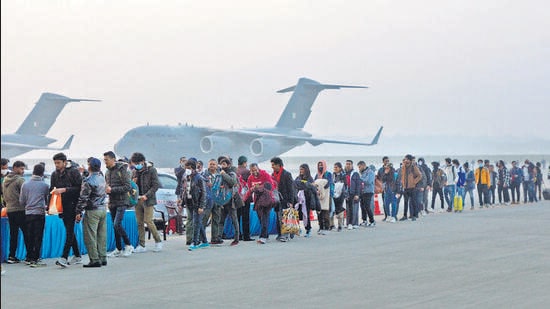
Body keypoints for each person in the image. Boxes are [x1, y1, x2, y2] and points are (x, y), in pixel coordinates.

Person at [51, 153, 83, 268]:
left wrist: (64, 190)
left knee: (69, 231)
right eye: (55, 163)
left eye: (58, 163)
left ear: (65, 162)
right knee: (69, 230)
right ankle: (78, 255)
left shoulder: (73, 172)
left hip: (73, 205)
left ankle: (64, 257)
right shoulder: (54, 174)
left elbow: (80, 188)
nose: (56, 165)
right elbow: (52, 188)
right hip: (61, 206)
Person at [74, 158, 108, 267]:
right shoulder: (102, 177)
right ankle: (103, 257)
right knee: (101, 235)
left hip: (92, 210)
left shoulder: (88, 181)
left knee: (90, 236)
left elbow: (83, 198)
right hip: (103, 209)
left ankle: (94, 259)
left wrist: (78, 211)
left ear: (89, 166)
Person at [130, 152, 163, 253]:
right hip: (137, 199)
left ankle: (158, 241)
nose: (136, 165)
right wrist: (133, 183)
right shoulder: (134, 171)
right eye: (134, 164)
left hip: (148, 199)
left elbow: (156, 185)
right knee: (139, 222)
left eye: (137, 163)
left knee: (148, 221)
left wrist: (146, 195)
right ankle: (142, 245)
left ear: (143, 161)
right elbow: (131, 185)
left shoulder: (151, 170)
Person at [104, 151, 134, 257]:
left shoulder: (122, 169)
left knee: (117, 224)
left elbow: (127, 186)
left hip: (122, 201)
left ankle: (128, 244)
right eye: (104, 160)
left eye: (106, 160)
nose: (105, 162)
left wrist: (112, 190)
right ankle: (118, 248)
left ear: (113, 159)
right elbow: (107, 186)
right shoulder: (107, 172)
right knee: (114, 226)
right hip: (112, 202)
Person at [20, 163, 50, 267]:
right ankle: (36, 257)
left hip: (28, 213)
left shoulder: (25, 184)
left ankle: (28, 256)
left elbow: (22, 201)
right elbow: (47, 201)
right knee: (38, 236)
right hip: (39, 213)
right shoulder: (45, 185)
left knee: (29, 236)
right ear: (42, 173)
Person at [3, 160, 27, 264]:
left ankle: (11, 256)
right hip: (20, 209)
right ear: (15, 168)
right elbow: (25, 195)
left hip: (9, 209)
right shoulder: (20, 180)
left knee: (13, 234)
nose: (23, 171)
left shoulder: (5, 180)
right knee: (27, 233)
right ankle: (30, 255)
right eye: (21, 169)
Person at [182, 159, 209, 251]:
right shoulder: (186, 177)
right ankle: (204, 241)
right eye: (186, 168)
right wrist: (182, 201)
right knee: (198, 222)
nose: (187, 170)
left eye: (189, 168)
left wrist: (201, 206)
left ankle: (195, 242)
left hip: (197, 203)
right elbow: (185, 190)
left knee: (196, 223)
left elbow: (204, 193)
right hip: (189, 202)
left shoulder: (199, 178)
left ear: (193, 168)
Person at [215, 157, 240, 246]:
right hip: (223, 200)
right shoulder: (219, 173)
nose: (222, 166)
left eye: (224, 164)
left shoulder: (232, 173)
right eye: (221, 164)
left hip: (230, 200)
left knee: (234, 220)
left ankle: (236, 238)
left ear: (228, 165)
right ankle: (218, 238)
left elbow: (232, 182)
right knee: (221, 220)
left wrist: (224, 174)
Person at [271, 157, 296, 241]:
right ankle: (280, 233)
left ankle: (285, 235)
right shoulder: (272, 175)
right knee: (278, 217)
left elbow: (291, 189)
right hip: (277, 200)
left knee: (285, 217)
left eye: (273, 165)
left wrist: (291, 201)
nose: (272, 167)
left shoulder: (286, 174)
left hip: (285, 199)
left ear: (279, 165)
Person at [236, 155, 254, 241]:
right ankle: (246, 236)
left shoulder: (235, 171)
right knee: (245, 217)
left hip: (236, 197)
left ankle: (238, 235)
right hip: (245, 197)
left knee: (237, 217)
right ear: (244, 163)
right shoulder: (247, 172)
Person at [399, 154, 422, 221]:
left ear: (409, 160)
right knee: (405, 202)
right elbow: (402, 176)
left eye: (406, 159)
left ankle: (414, 215)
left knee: (414, 202)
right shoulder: (403, 167)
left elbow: (420, 175)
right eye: (405, 159)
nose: (405, 160)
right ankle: (405, 216)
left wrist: (414, 182)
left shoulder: (413, 167)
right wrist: (402, 183)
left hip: (412, 187)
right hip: (405, 187)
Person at [314, 160, 333, 233]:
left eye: (321, 165)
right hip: (318, 195)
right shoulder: (317, 175)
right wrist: (317, 190)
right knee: (319, 212)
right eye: (319, 165)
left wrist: (321, 189)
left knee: (325, 212)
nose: (320, 167)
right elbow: (315, 183)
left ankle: (326, 228)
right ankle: (321, 227)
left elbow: (328, 184)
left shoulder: (328, 174)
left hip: (326, 196)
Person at [357, 161, 375, 226]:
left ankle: (372, 221)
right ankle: (364, 220)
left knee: (367, 206)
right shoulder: (361, 173)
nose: (359, 168)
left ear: (364, 165)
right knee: (362, 206)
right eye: (358, 167)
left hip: (369, 191)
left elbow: (368, 181)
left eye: (360, 167)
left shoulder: (370, 172)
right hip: (362, 191)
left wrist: (360, 179)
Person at [344, 160, 361, 229]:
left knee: (354, 209)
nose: (348, 165)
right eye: (347, 164)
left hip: (353, 193)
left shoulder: (355, 174)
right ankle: (348, 223)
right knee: (347, 209)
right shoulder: (344, 173)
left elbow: (358, 184)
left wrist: (357, 194)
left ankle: (355, 223)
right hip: (346, 193)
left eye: (349, 164)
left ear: (352, 165)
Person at [331, 162, 347, 230]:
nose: (335, 169)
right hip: (333, 194)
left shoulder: (343, 175)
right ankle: (331, 225)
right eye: (334, 167)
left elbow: (346, 185)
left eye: (336, 167)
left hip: (341, 194)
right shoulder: (332, 175)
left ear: (340, 168)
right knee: (332, 209)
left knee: (340, 210)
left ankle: (340, 225)